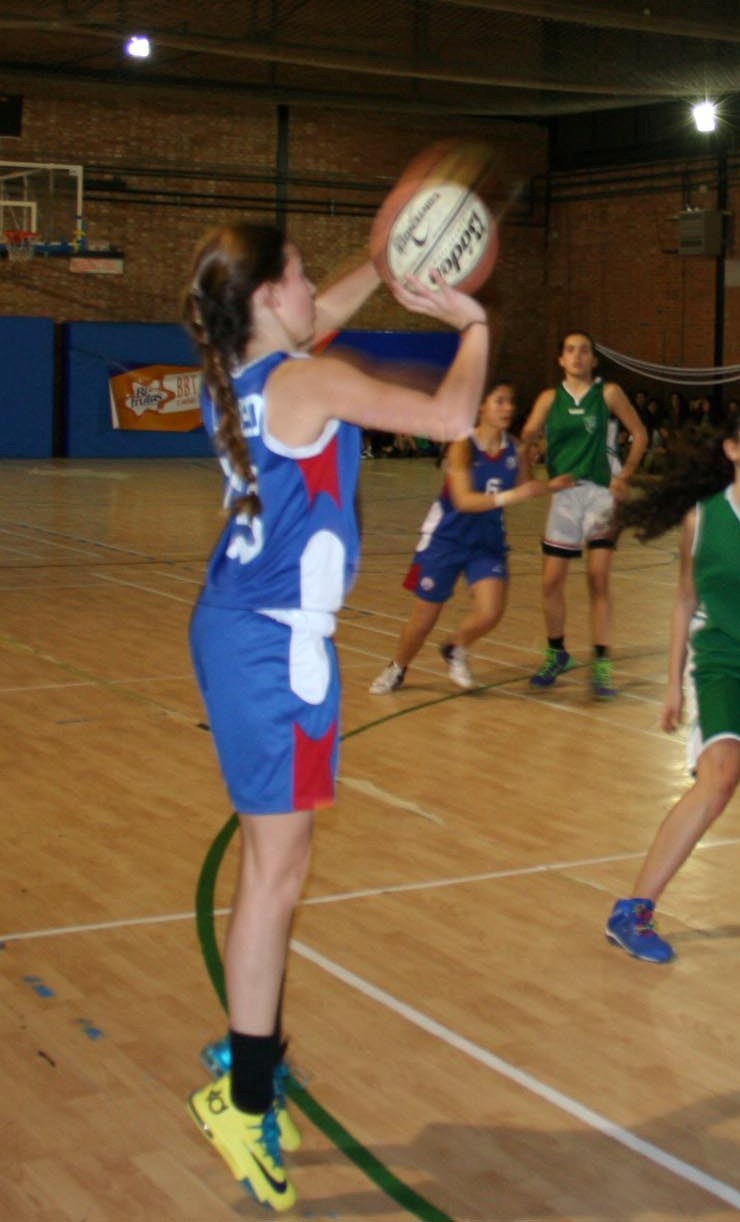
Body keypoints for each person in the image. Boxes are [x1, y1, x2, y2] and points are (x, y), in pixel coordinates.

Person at [182, 220, 489, 1210]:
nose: (318, 286)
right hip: (270, 647)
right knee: (277, 874)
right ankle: (243, 1095)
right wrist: (473, 323)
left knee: (274, 867)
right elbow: (451, 416)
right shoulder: (307, 383)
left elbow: (319, 319)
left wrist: (387, 268)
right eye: (303, 274)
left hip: (256, 634)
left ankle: (250, 1046)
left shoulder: (239, 371)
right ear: (271, 295)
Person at [605, 413, 740, 962]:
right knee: (720, 776)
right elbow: (685, 600)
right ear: (732, 449)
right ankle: (632, 911)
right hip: (721, 660)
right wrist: (672, 686)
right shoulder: (702, 518)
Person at [369, 381, 573, 693]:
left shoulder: (514, 448)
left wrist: (551, 484)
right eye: (499, 401)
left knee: (491, 611)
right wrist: (513, 495)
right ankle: (397, 668)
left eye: (511, 402)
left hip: (486, 541)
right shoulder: (463, 445)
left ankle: (456, 646)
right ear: (482, 406)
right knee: (423, 620)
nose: (507, 408)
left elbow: (525, 487)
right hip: (447, 539)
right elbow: (464, 501)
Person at [521, 331, 647, 698]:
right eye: (570, 350)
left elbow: (639, 434)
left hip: (601, 495)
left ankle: (602, 664)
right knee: (551, 582)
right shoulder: (549, 399)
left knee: (598, 578)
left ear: (594, 359)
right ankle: (557, 653)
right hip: (565, 495)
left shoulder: (608, 393)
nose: (577, 356)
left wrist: (625, 475)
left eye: (584, 351)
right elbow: (527, 436)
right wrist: (530, 454)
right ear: (560, 359)